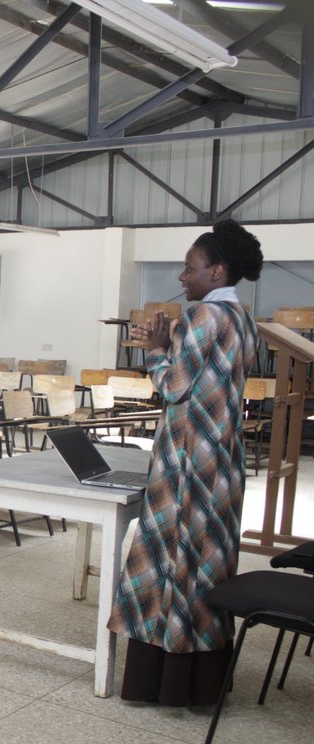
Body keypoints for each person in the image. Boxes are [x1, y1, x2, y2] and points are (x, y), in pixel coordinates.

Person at [108, 219, 263, 707]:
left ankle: (162, 682)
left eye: (190, 267)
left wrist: (154, 351)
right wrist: (170, 344)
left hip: (185, 464)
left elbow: (175, 387)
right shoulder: (244, 319)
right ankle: (199, 681)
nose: (182, 276)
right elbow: (204, 376)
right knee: (204, 565)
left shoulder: (204, 316)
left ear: (217, 271)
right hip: (222, 460)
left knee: (168, 564)